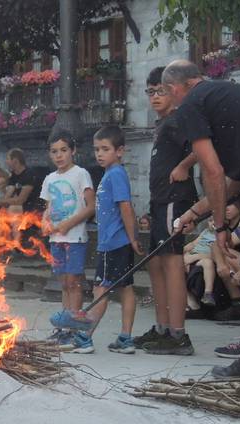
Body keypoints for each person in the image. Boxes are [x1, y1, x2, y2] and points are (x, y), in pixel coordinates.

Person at [165, 59, 240, 376]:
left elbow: (213, 173)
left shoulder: (191, 102)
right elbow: (233, 181)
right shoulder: (226, 95)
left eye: (168, 94)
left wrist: (219, 226)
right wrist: (196, 213)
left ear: (177, 88)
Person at [132, 66, 198, 356]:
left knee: (172, 262)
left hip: (176, 200)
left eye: (160, 90)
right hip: (160, 202)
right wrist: (150, 207)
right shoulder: (162, 125)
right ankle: (162, 329)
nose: (155, 96)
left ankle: (178, 335)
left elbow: (204, 147)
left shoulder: (179, 119)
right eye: (150, 92)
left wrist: (184, 166)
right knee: (155, 264)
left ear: (173, 91)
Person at [70, 126, 143, 354]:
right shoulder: (110, 174)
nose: (99, 154)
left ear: (120, 151)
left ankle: (86, 337)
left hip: (113, 244)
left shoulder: (116, 174)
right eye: (96, 149)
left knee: (100, 289)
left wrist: (132, 238)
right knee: (125, 288)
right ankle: (125, 338)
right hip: (114, 242)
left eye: (105, 149)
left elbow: (126, 207)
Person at [41, 132, 95, 347]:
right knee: (63, 282)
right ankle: (63, 328)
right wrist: (46, 223)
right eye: (54, 151)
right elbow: (48, 208)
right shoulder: (50, 179)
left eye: (63, 150)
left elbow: (91, 206)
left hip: (75, 237)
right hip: (56, 238)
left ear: (73, 151)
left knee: (74, 282)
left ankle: (75, 327)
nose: (59, 155)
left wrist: (68, 224)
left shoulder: (81, 174)